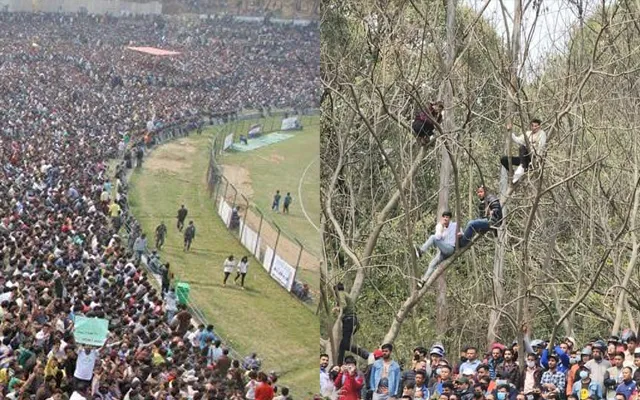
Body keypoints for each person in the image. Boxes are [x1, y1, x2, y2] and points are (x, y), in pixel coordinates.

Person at [415, 210, 458, 288]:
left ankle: (421, 251)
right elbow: (438, 237)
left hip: (450, 248)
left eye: (447, 217)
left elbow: (462, 233)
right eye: (444, 217)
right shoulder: (441, 228)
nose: (445, 219)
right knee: (432, 263)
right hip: (444, 251)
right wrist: (440, 226)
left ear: (450, 218)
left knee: (432, 237)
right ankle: (423, 281)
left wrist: (459, 235)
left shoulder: (455, 225)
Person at [501, 119, 547, 183]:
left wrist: (537, 160)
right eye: (532, 126)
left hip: (533, 157)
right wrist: (510, 131)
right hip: (524, 157)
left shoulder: (541, 134)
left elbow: (541, 146)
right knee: (504, 159)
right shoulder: (528, 134)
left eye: (536, 126)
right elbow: (518, 140)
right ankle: (513, 172)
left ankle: (522, 167)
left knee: (522, 148)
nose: (534, 128)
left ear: (539, 126)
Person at [335, 282, 358, 366]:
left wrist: (337, 308)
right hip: (352, 319)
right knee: (345, 342)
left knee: (343, 344)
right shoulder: (346, 294)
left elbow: (343, 305)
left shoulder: (340, 294)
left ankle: (339, 364)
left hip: (349, 319)